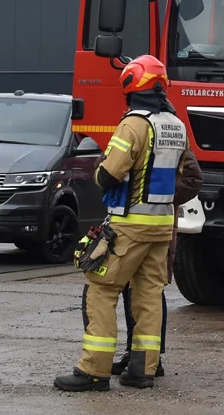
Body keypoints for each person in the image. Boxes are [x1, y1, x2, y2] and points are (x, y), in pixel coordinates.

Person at [55, 55, 192, 392]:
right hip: (161, 225)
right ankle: (142, 370)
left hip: (129, 225)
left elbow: (109, 173)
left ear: (131, 86)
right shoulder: (176, 125)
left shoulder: (133, 124)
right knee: (148, 296)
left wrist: (102, 175)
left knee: (101, 290)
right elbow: (183, 173)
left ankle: (94, 370)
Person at [79, 144, 202, 378]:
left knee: (126, 290)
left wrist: (152, 195)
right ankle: (142, 360)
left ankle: (139, 360)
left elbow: (192, 180)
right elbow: (106, 166)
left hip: (143, 227)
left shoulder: (139, 130)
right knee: (144, 292)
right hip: (138, 226)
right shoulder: (162, 132)